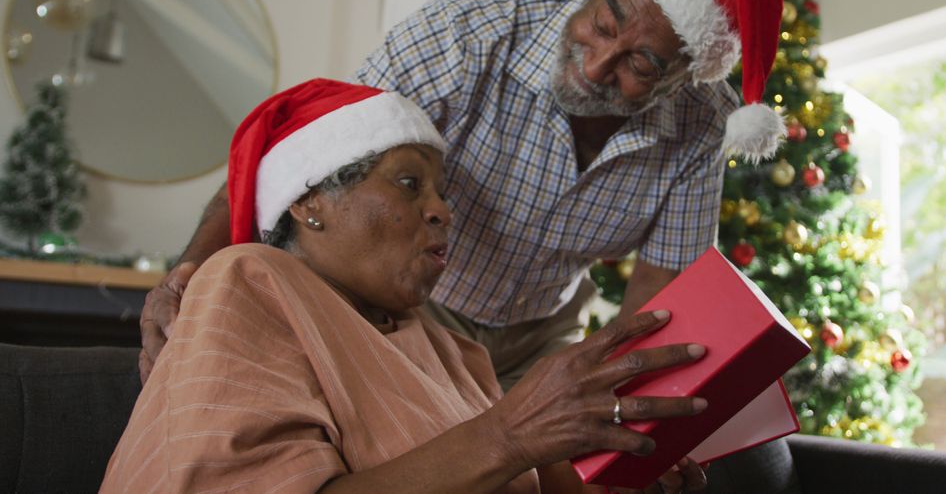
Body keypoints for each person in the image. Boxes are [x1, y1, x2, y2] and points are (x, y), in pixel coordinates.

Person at [139, 0, 785, 390]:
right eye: (604, 22)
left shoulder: (703, 126)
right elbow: (302, 161)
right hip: (405, 306)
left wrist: (628, 408)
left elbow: (659, 293)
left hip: (542, 332)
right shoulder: (472, 31)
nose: (596, 64)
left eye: (640, 64)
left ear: (683, 77)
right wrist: (191, 269)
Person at [102, 79, 709, 493]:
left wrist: (625, 478)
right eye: (409, 184)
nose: (442, 209)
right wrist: (508, 433)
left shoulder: (452, 350)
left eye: (441, 192)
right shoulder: (248, 282)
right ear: (310, 201)